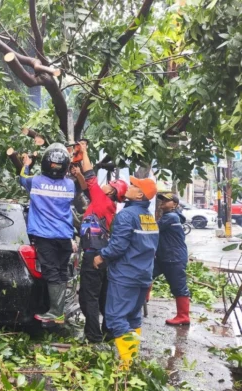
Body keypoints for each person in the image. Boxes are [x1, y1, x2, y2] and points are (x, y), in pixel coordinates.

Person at [93, 177, 159, 369]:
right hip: (143, 275)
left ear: (139, 194)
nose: (128, 187)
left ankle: (127, 363)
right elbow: (153, 248)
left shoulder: (127, 215)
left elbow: (118, 246)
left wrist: (101, 256)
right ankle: (131, 358)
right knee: (133, 316)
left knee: (115, 317)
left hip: (125, 275)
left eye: (133, 186)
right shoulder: (149, 218)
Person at [77, 142, 128, 343]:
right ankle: (107, 331)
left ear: (111, 190)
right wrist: (78, 171)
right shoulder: (106, 204)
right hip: (103, 253)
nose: (105, 183)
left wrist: (84, 151)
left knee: (88, 297)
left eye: (109, 184)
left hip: (93, 254)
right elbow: (85, 184)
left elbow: (89, 175)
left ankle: (93, 335)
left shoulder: (102, 199)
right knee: (103, 295)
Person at [20, 143, 75, 326]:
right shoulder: (70, 185)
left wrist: (26, 163)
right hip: (65, 236)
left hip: (46, 236)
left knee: (51, 272)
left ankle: (56, 312)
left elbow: (22, 177)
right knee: (60, 271)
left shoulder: (35, 182)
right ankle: (60, 308)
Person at [154, 193, 191, 326]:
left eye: (167, 200)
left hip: (173, 258)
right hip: (164, 257)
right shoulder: (170, 216)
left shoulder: (171, 217)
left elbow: (152, 229)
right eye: (162, 200)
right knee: (145, 275)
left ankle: (183, 316)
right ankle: (141, 301)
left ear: (175, 205)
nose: (162, 202)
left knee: (179, 286)